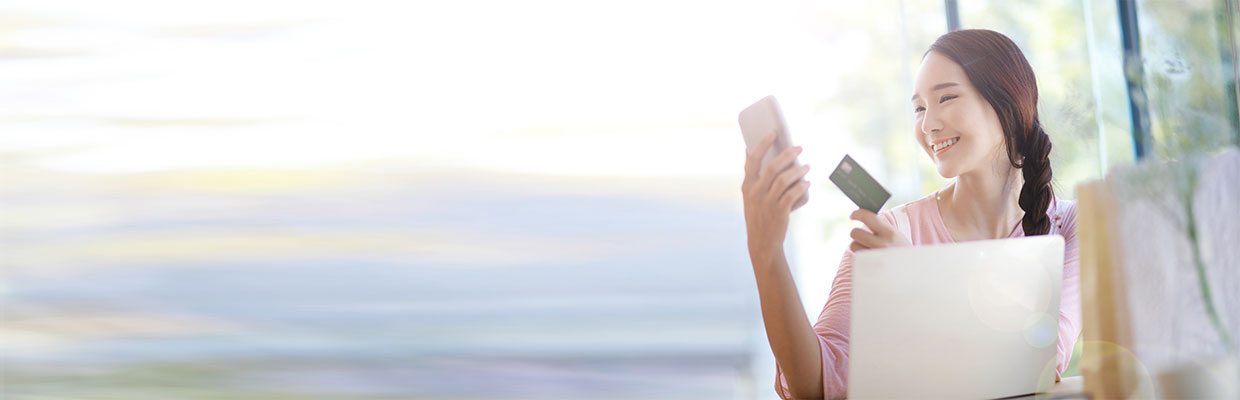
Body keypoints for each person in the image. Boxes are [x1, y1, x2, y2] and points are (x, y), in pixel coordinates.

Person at [740, 29, 1082, 400]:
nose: (928, 124)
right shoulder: (892, 232)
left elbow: (1040, 362)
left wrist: (916, 280)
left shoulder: (1071, 226)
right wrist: (766, 253)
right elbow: (814, 384)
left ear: (1009, 103)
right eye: (919, 108)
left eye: (946, 98)